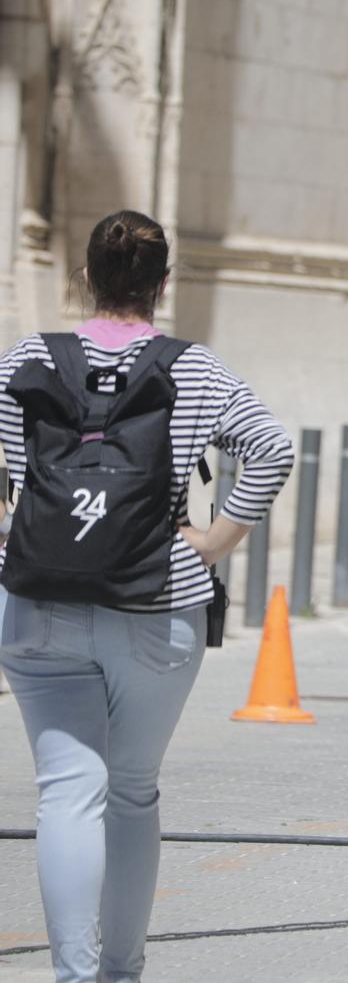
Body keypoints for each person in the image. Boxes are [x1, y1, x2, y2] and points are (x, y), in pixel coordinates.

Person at [0, 211, 296, 982]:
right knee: (130, 792)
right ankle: (121, 972)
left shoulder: (30, 357)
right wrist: (221, 536)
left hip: (39, 601)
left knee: (67, 794)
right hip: (158, 601)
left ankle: (71, 973)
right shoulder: (193, 367)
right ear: (162, 284)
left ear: (85, 274)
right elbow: (271, 445)